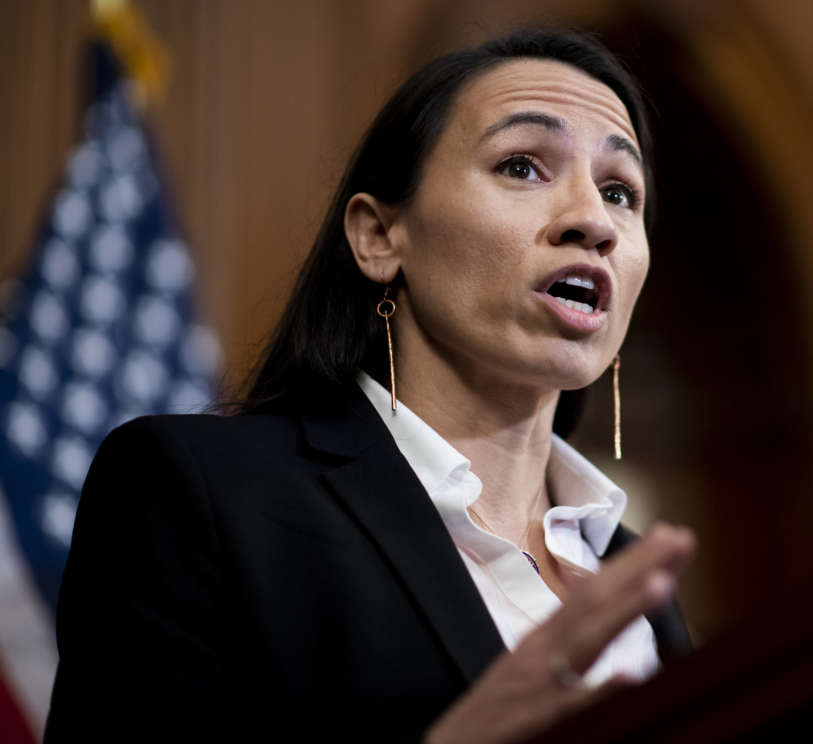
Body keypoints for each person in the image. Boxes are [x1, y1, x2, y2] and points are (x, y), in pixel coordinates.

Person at [44, 28, 696, 742]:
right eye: (521, 166)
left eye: (619, 191)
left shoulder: (633, 576)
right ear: (380, 237)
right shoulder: (202, 491)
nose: (593, 222)